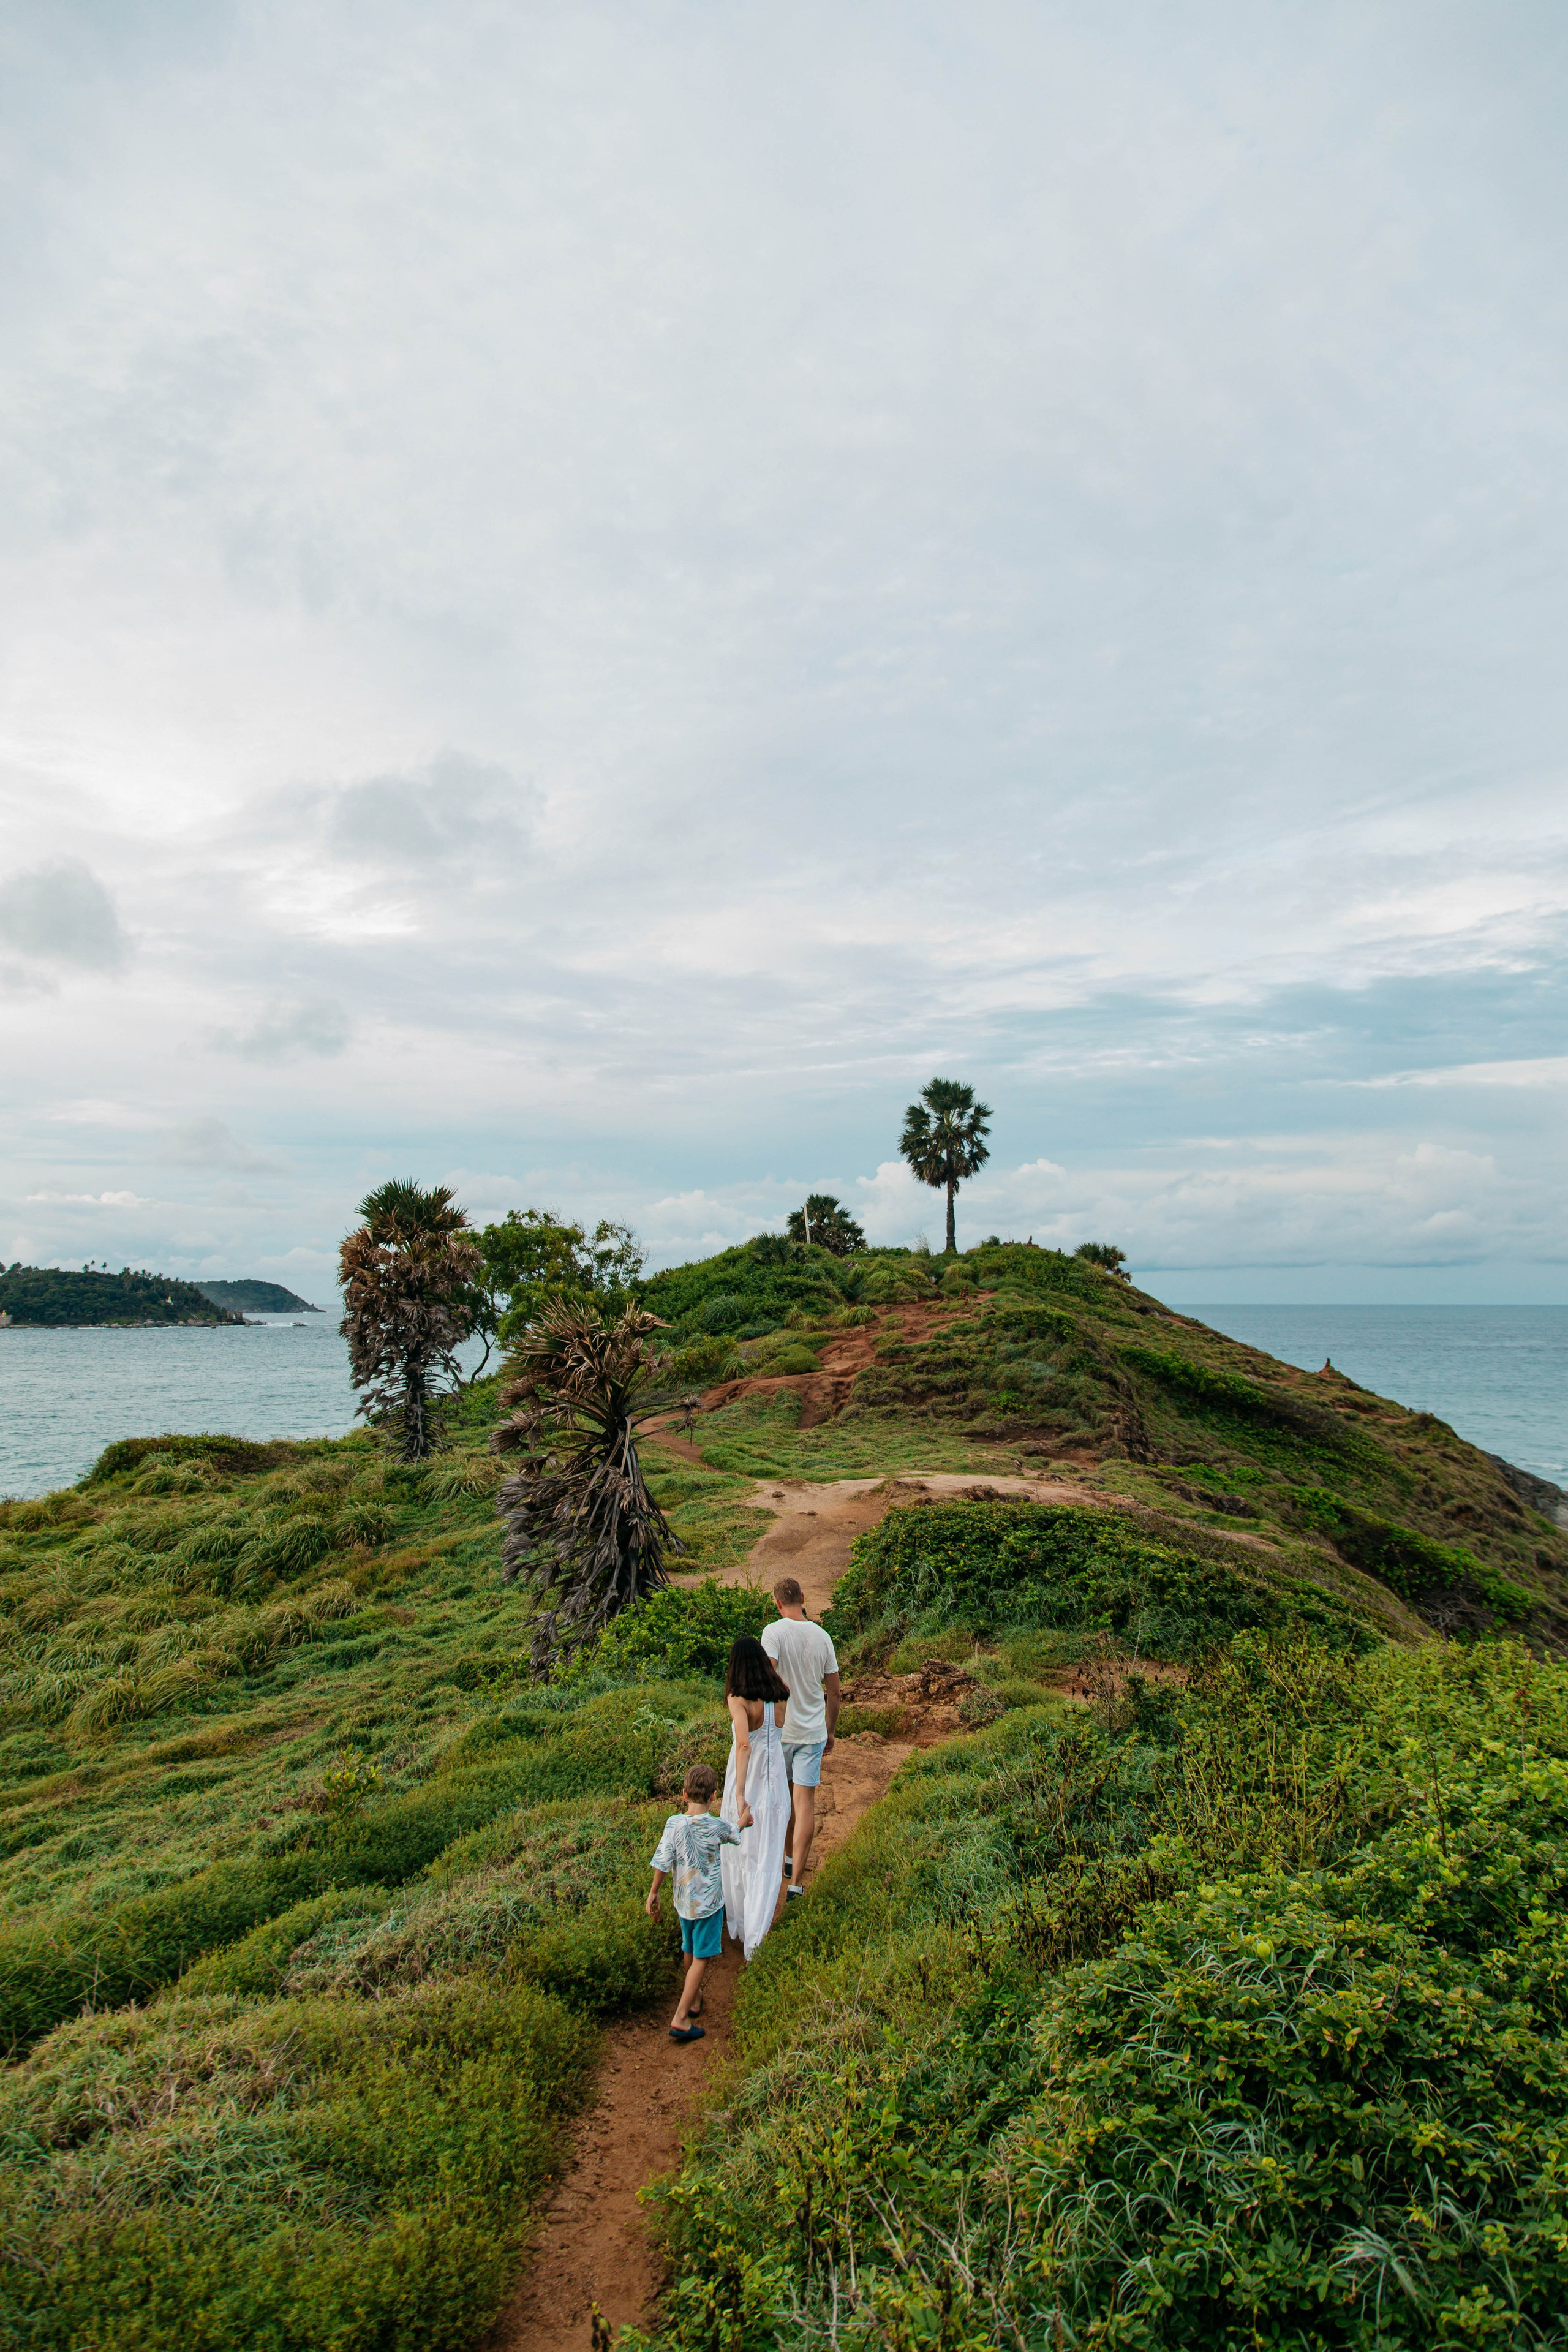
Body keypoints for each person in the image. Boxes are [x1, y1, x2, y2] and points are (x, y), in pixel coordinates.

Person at [646, 1762, 741, 2043]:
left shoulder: (673, 1824)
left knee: (689, 1947)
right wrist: (745, 1819)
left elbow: (663, 1861)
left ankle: (695, 1998)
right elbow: (734, 1833)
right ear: (714, 1796)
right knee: (702, 1956)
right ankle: (681, 2017)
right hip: (709, 1905)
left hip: (683, 1902)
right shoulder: (715, 1825)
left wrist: (654, 1892)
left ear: (684, 1794)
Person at [761, 1576, 840, 1898]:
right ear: (803, 1598)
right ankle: (796, 1884)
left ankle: (788, 1858)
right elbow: (834, 1692)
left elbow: (766, 1678)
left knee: (783, 1800)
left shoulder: (773, 1632)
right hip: (812, 1732)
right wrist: (830, 1731)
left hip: (782, 1732)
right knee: (805, 1803)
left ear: (777, 1603)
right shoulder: (823, 1637)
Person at [718, 1634, 791, 1959]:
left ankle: (742, 1926)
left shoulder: (738, 1698)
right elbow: (778, 1730)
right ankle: (757, 1936)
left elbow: (744, 1744)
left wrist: (739, 1794)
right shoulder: (780, 1692)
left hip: (748, 1779)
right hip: (774, 1782)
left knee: (741, 1852)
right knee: (767, 1856)